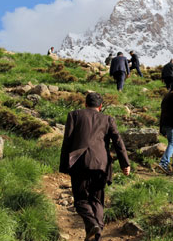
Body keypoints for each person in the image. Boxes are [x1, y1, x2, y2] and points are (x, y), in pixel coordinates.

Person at [59, 92, 131, 241]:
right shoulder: (108, 119)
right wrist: (125, 163)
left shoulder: (74, 115)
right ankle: (95, 232)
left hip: (79, 163)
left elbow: (67, 142)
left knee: (80, 201)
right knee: (97, 201)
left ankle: (93, 225)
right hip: (101, 164)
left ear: (85, 104)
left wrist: (64, 165)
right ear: (100, 106)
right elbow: (118, 142)